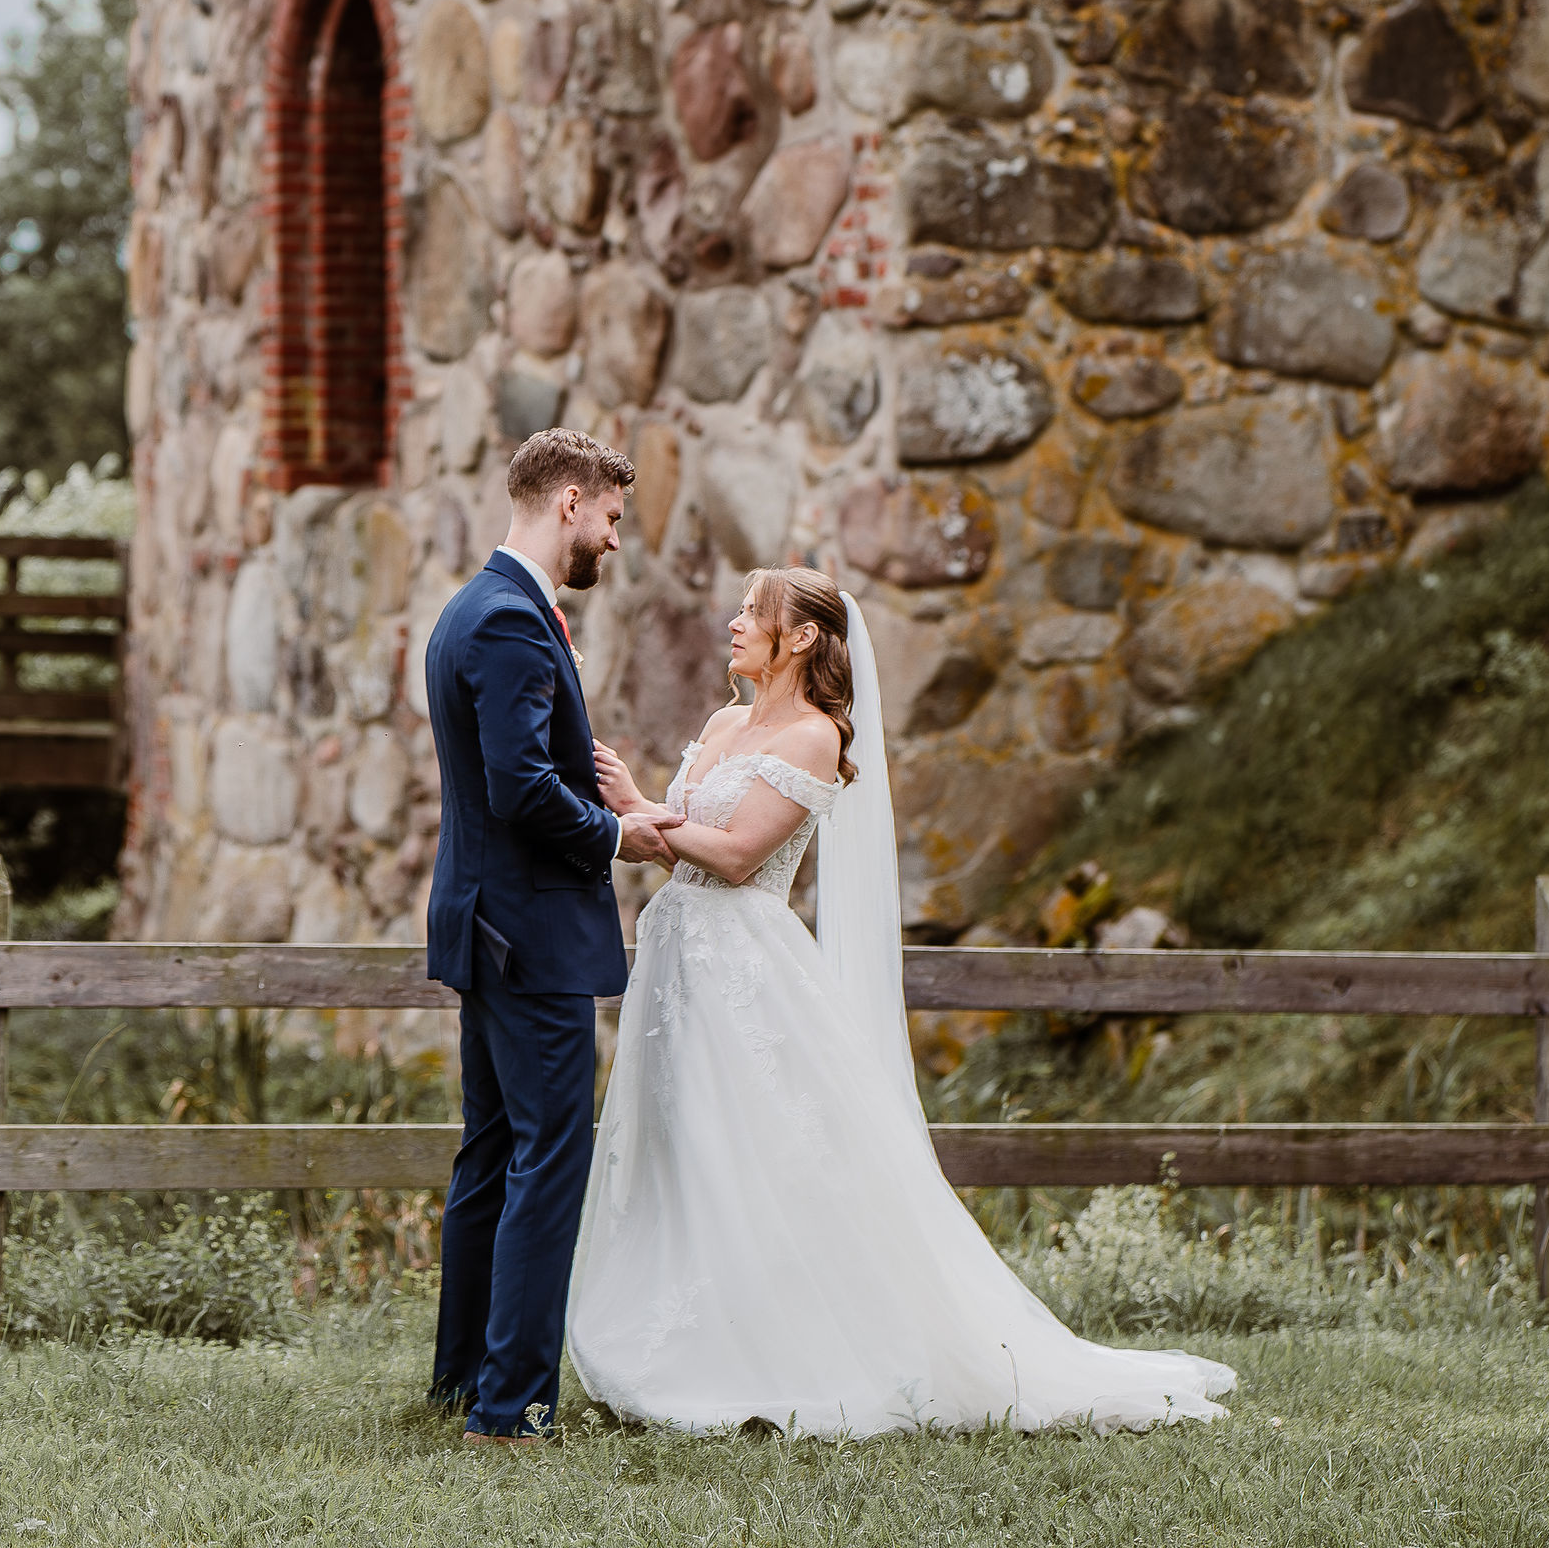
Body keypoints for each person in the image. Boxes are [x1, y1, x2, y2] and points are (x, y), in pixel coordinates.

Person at [565, 564, 1236, 1437]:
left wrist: (637, 811)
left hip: (745, 966)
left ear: (802, 637)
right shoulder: (725, 722)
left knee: (752, 1146)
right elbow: (685, 847)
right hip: (676, 960)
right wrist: (639, 816)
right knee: (680, 1142)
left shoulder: (813, 736)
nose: (734, 623)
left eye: (753, 612)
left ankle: (784, 1352)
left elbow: (734, 858)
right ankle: (691, 1338)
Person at [421, 426, 671, 1446]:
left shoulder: (476, 607)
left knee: (492, 1155)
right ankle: (512, 1409)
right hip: (528, 936)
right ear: (568, 501)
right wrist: (618, 833)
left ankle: (462, 1384)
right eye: (609, 517)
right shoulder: (511, 625)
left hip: (490, 924)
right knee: (548, 1161)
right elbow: (519, 787)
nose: (612, 538)